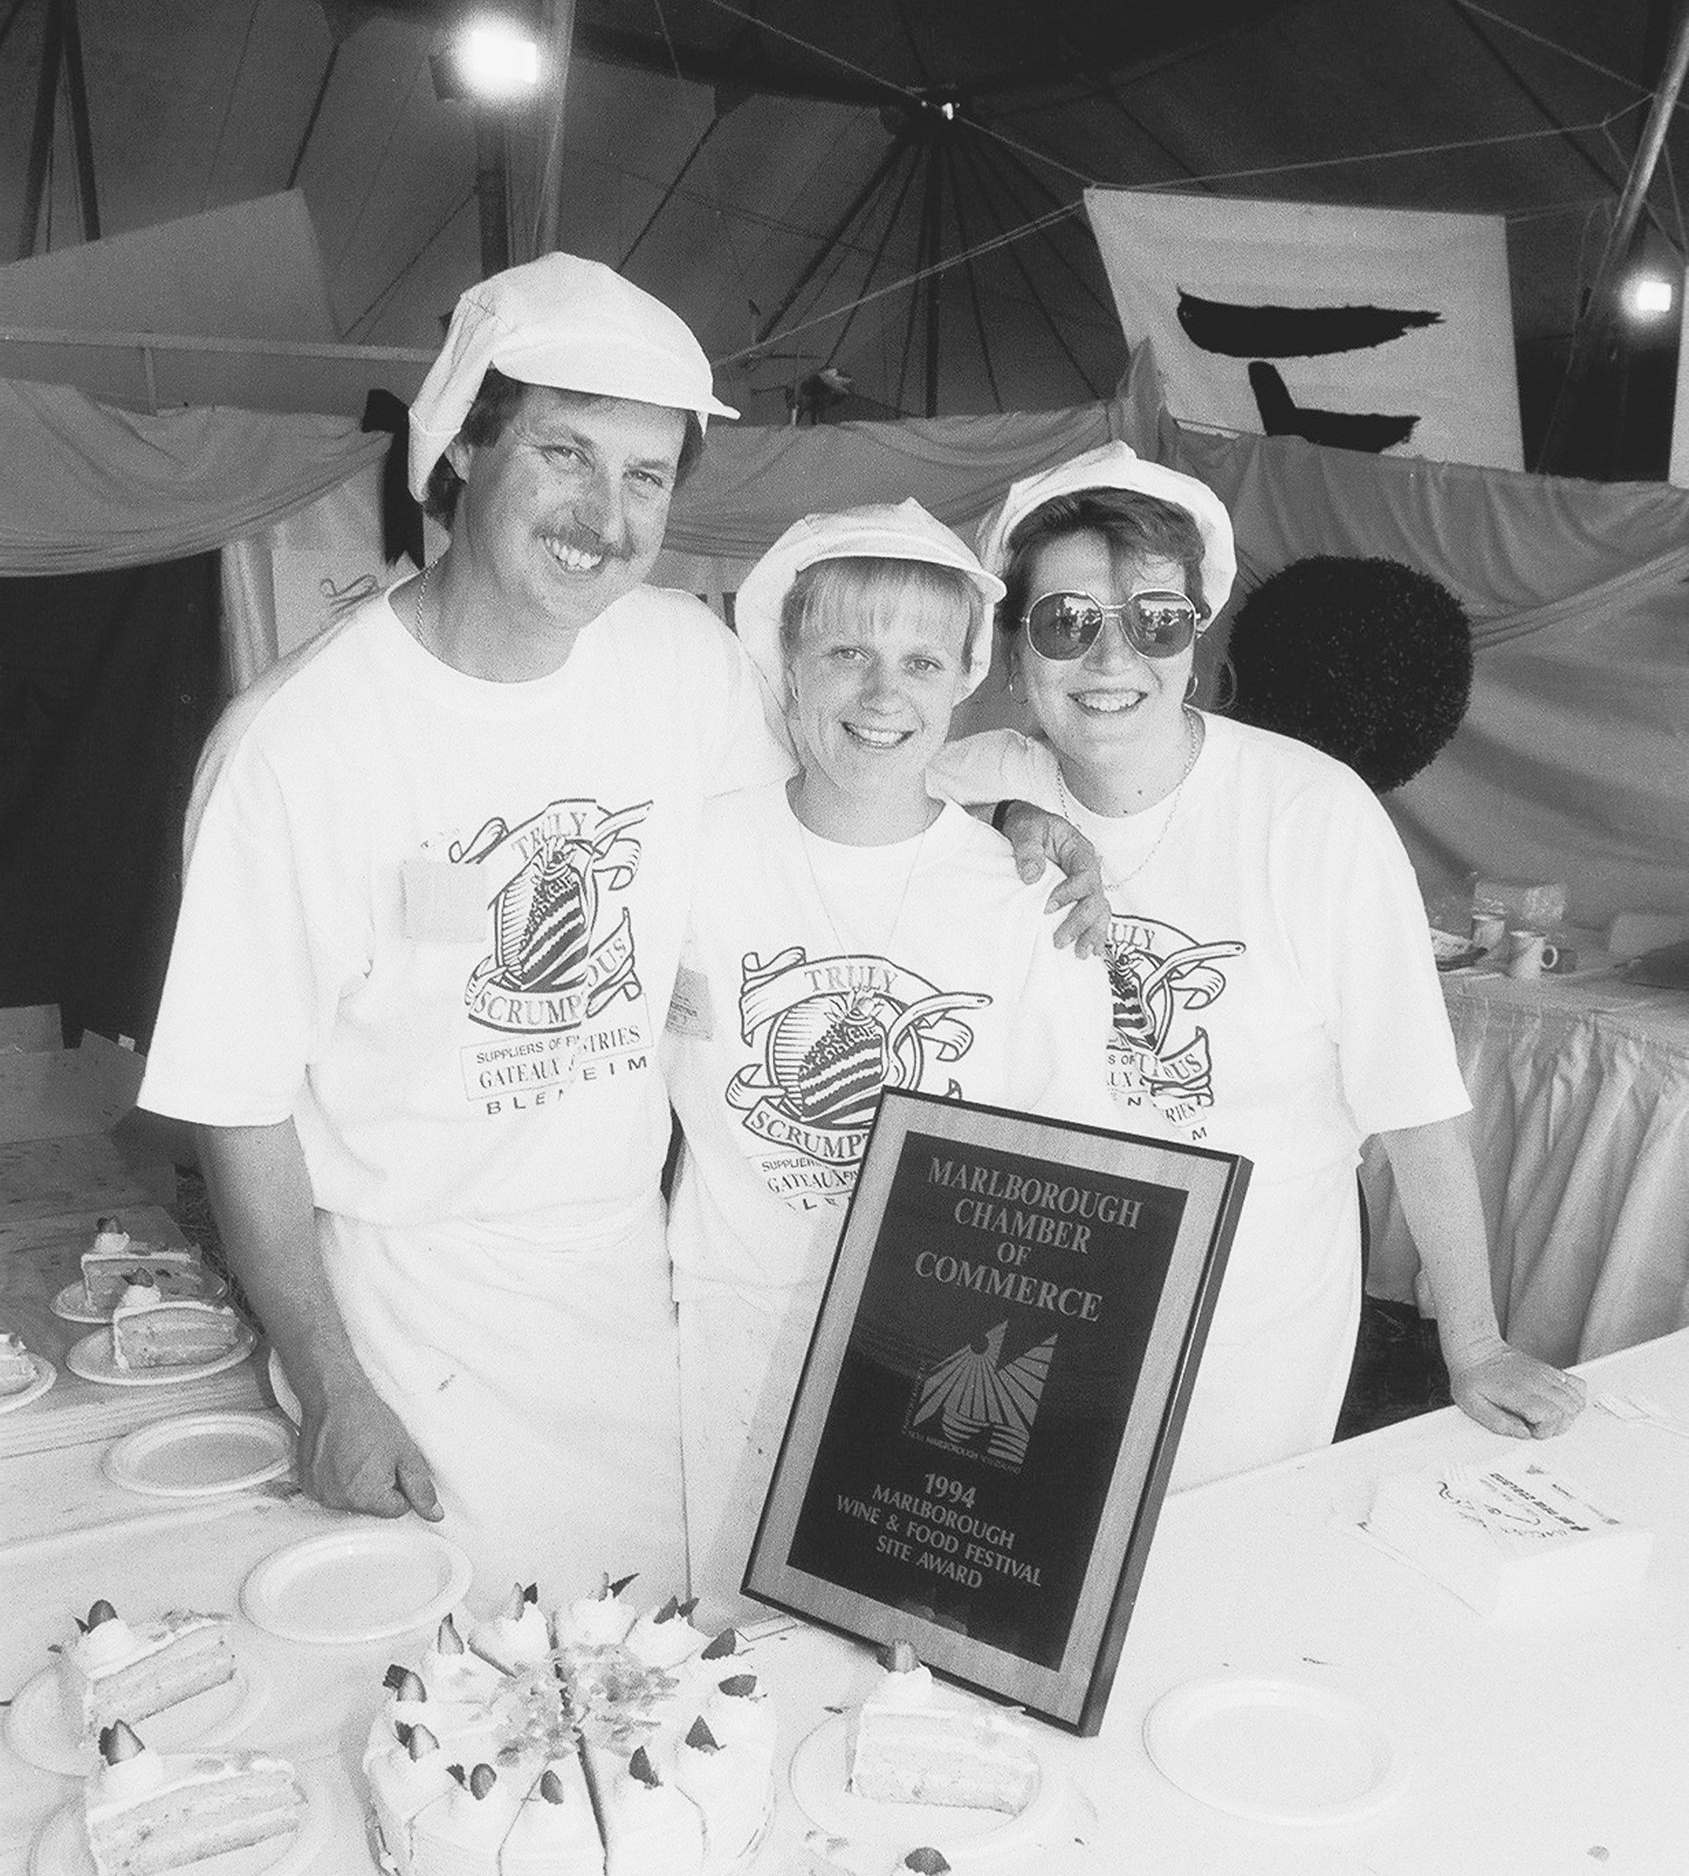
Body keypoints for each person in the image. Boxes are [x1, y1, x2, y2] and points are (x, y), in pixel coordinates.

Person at [138, 254, 792, 1595]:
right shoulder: (298, 746)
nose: (605, 518)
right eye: (565, 453)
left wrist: (1011, 814)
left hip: (627, 1287)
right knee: (451, 1683)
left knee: (647, 1664)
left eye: (647, 476)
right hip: (406, 1316)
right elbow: (238, 1104)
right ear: (458, 449)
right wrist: (333, 1384)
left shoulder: (687, 665)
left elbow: (806, 859)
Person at [934, 443, 1582, 1486]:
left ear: (1195, 642)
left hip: (1247, 1321)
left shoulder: (1310, 813)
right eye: (1066, 622)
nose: (1111, 659)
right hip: (1017, 1300)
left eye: (1156, 620)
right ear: (1013, 654)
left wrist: (1474, 1343)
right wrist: (999, 811)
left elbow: (1414, 1101)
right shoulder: (957, 786)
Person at [662, 503, 1117, 1605]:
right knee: (727, 1636)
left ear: (966, 677)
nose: (882, 693)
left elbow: (1073, 1166)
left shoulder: (1026, 898)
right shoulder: (689, 857)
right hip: (732, 1332)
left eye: (920, 661)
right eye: (845, 653)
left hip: (943, 1356)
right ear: (786, 663)